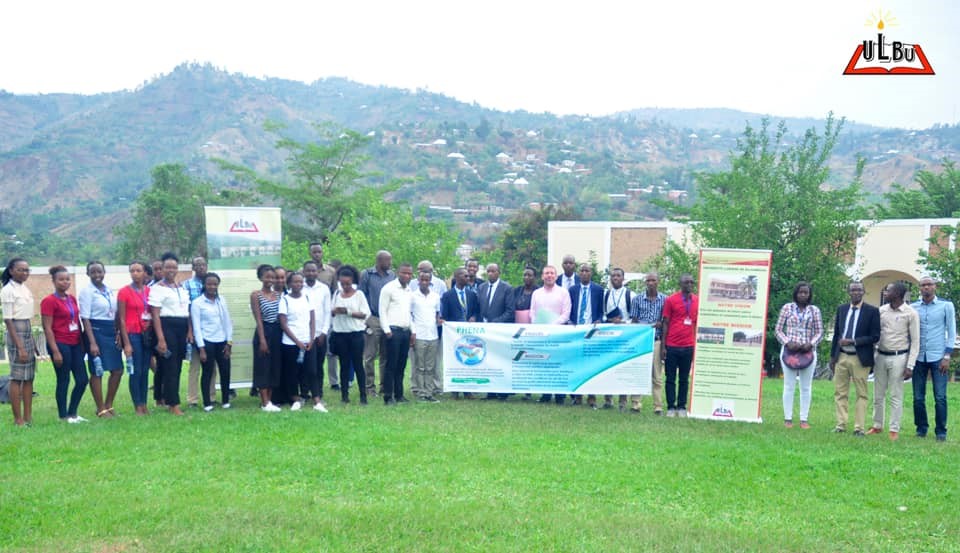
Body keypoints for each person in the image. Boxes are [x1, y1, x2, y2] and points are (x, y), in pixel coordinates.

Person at [866, 281, 918, 440]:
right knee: (878, 394)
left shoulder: (910, 313)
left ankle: (894, 429)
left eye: (888, 290)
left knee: (896, 395)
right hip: (880, 355)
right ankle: (877, 425)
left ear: (898, 293)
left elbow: (915, 341)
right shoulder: (881, 311)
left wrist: (910, 365)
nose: (885, 292)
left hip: (899, 357)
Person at [829, 281, 881, 436]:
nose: (856, 292)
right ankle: (840, 425)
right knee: (840, 392)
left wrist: (854, 341)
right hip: (842, 356)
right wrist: (833, 357)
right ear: (848, 292)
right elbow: (837, 334)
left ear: (863, 292)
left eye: (859, 290)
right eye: (853, 290)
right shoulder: (842, 309)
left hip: (860, 358)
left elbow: (875, 336)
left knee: (862, 394)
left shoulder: (872, 311)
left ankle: (859, 428)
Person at [911, 275, 956, 442]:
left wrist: (947, 355)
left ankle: (941, 431)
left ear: (935, 286)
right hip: (918, 357)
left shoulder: (946, 305)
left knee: (940, 396)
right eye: (923, 285)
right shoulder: (914, 307)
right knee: (918, 396)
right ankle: (921, 428)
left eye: (929, 284)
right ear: (919, 288)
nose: (926, 288)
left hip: (939, 357)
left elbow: (951, 331)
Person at [40, 265, 88, 423]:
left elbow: (77, 320)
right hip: (60, 344)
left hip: (75, 343)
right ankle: (63, 415)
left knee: (82, 379)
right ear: (53, 281)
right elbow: (47, 328)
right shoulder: (48, 301)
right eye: (61, 279)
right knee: (64, 380)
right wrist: (55, 351)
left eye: (67, 279)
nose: (65, 282)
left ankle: (73, 412)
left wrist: (82, 343)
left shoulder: (71, 298)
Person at [774, 282, 824, 430]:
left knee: (806, 387)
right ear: (796, 293)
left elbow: (819, 331)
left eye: (806, 293)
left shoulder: (814, 310)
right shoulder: (787, 308)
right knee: (789, 385)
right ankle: (788, 418)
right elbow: (778, 330)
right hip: (789, 352)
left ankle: (804, 419)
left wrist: (811, 343)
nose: (803, 295)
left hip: (808, 352)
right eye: (800, 292)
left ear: (809, 295)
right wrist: (787, 342)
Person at [149, 252, 192, 416]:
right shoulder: (157, 289)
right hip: (167, 327)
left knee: (178, 366)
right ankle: (173, 404)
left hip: (182, 327)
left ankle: (168, 399)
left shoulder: (181, 287)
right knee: (170, 367)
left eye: (174, 267)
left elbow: (186, 311)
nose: (171, 270)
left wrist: (189, 331)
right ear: (162, 268)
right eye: (168, 267)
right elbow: (155, 315)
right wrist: (161, 339)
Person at [79, 261, 122, 418]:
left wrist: (118, 332)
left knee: (117, 370)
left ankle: (109, 404)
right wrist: (92, 342)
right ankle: (100, 408)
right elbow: (85, 319)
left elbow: (116, 314)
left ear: (104, 272)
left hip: (111, 330)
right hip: (95, 332)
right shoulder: (87, 292)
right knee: (97, 371)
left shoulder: (109, 290)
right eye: (93, 272)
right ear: (88, 274)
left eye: (99, 271)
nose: (97, 275)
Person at [191, 273, 234, 411]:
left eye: (215, 284)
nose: (212, 287)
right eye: (209, 284)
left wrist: (229, 343)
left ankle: (226, 400)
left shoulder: (222, 300)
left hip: (222, 341)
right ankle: (207, 403)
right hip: (206, 341)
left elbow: (228, 323)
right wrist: (201, 348)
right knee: (208, 372)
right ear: (204, 285)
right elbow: (196, 327)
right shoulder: (197, 303)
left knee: (225, 371)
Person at [278, 272, 319, 412]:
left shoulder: (308, 297)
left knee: (312, 371)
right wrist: (297, 342)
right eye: (295, 282)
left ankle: (317, 400)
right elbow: (283, 324)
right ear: (289, 284)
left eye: (300, 282)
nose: (298, 284)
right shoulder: (285, 300)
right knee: (293, 372)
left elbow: (312, 320)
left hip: (308, 342)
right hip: (290, 343)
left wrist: (312, 338)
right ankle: (295, 399)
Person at [530, 265, 571, 404]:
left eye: (552, 273)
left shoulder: (563, 292)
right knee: (544, 363)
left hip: (558, 333)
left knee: (559, 364)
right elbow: (532, 312)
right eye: (546, 273)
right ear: (542, 276)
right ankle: (545, 394)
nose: (549, 276)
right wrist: (538, 324)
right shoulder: (536, 293)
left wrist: (553, 326)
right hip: (541, 334)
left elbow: (566, 314)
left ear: (556, 276)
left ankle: (560, 396)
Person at [2, 258, 35, 426]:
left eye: (27, 270)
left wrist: (32, 342)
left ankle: (28, 416)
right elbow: (8, 320)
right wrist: (20, 347)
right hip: (16, 331)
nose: (24, 273)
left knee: (29, 377)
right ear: (11, 271)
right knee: (17, 378)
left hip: (27, 329)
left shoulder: (25, 288)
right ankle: (18, 418)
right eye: (20, 270)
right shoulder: (8, 290)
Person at [117, 261, 153, 415]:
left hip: (147, 334)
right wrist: (126, 343)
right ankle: (137, 404)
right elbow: (121, 319)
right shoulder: (124, 292)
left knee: (145, 370)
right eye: (132, 271)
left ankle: (144, 403)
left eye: (138, 270)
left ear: (145, 272)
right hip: (132, 334)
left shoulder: (149, 291)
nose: (135, 273)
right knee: (135, 371)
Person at [330, 265, 369, 404]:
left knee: (358, 364)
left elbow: (364, 314)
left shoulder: (359, 295)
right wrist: (335, 311)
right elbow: (331, 312)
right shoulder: (336, 294)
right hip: (340, 334)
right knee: (344, 365)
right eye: (342, 283)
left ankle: (363, 396)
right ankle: (344, 395)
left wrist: (348, 312)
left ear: (353, 281)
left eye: (348, 283)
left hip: (356, 334)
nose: (345, 286)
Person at [661, 273, 699, 417]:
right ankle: (671, 407)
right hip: (672, 345)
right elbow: (665, 323)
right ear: (680, 284)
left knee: (684, 378)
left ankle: (681, 406)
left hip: (688, 345)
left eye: (691, 282)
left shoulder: (697, 300)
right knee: (670, 378)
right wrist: (663, 346)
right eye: (686, 282)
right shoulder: (671, 300)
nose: (689, 285)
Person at [441, 268, 480, 399]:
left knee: (468, 359)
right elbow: (444, 316)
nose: (468, 278)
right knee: (455, 360)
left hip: (469, 336)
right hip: (454, 335)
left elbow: (476, 311)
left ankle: (467, 390)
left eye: (469, 276)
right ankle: (455, 390)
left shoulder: (472, 295)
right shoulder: (447, 295)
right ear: (457, 277)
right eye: (465, 276)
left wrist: (474, 317)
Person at [379, 263, 415, 405]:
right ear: (397, 272)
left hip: (405, 332)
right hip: (392, 332)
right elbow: (382, 311)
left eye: (409, 274)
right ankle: (388, 396)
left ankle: (399, 395)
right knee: (391, 365)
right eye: (404, 273)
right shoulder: (389, 288)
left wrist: (413, 331)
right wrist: (387, 331)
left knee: (401, 365)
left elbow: (408, 313)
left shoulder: (409, 290)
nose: (407, 276)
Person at [360, 250, 395, 397]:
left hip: (387, 318)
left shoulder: (392, 275)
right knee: (370, 355)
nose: (390, 263)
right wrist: (366, 320)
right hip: (372, 318)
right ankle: (369, 387)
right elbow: (361, 295)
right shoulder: (367, 274)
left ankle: (383, 386)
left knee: (385, 355)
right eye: (388, 261)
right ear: (379, 261)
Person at [630, 272, 666, 414]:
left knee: (656, 375)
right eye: (648, 280)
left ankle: (658, 406)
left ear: (658, 282)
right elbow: (634, 321)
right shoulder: (637, 299)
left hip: (656, 340)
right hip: (641, 341)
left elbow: (666, 322)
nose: (650, 283)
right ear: (645, 282)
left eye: (653, 280)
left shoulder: (665, 299)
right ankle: (636, 403)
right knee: (639, 371)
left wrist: (660, 324)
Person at [569, 263, 604, 408]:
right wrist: (570, 322)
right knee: (577, 364)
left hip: (592, 332)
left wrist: (599, 320)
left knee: (591, 365)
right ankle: (577, 396)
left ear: (591, 273)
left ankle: (592, 396)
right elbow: (569, 309)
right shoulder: (572, 290)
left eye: (587, 271)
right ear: (578, 273)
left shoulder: (598, 290)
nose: (584, 273)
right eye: (581, 271)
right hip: (577, 331)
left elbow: (601, 310)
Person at [183, 256, 216, 408]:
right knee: (195, 366)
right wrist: (190, 331)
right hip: (195, 330)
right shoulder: (187, 285)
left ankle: (211, 396)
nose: (202, 267)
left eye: (203, 264)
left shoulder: (212, 283)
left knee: (211, 367)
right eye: (198, 265)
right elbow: (187, 310)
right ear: (193, 268)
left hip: (212, 332)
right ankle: (192, 399)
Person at [250, 264, 282, 412]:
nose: (270, 279)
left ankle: (269, 401)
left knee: (274, 366)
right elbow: (258, 318)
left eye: (273, 277)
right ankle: (264, 402)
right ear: (260, 278)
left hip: (277, 332)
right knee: (263, 366)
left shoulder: (278, 295)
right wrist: (262, 339)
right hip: (264, 331)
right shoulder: (256, 295)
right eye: (267, 276)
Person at [479, 263, 513, 400]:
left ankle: (503, 392)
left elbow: (510, 311)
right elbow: (479, 308)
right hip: (485, 331)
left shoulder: (507, 288)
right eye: (488, 271)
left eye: (493, 271)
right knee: (488, 360)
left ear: (499, 272)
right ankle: (490, 391)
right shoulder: (481, 287)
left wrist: (496, 322)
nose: (491, 273)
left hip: (499, 331)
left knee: (501, 361)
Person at [601, 267, 633, 410]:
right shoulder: (606, 294)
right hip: (609, 336)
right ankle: (608, 400)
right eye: (613, 276)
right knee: (607, 367)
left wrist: (623, 322)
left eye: (618, 276)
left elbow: (633, 318)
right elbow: (603, 315)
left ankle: (622, 402)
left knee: (622, 368)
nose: (615, 278)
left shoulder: (630, 295)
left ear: (623, 278)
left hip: (624, 336)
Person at [310, 243, 340, 393]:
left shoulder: (331, 272)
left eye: (319, 252)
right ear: (310, 254)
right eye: (314, 252)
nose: (317, 254)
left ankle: (334, 381)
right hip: (309, 318)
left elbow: (336, 292)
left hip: (327, 316)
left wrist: (333, 310)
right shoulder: (303, 271)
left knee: (330, 350)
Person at [302, 260, 332, 407]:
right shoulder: (298, 286)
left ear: (317, 272)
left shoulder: (324, 289)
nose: (311, 273)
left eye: (313, 271)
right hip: (303, 335)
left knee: (318, 366)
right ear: (303, 272)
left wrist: (323, 333)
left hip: (320, 334)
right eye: (308, 271)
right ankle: (304, 393)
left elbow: (327, 312)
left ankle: (318, 394)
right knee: (305, 366)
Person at [411, 271, 442, 402]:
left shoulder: (435, 296)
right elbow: (409, 315)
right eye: (422, 280)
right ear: (418, 281)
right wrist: (412, 333)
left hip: (433, 335)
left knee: (430, 366)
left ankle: (429, 392)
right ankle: (421, 392)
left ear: (430, 282)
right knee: (420, 366)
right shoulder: (413, 296)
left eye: (426, 280)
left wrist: (439, 321)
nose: (424, 282)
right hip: (419, 334)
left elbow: (437, 315)